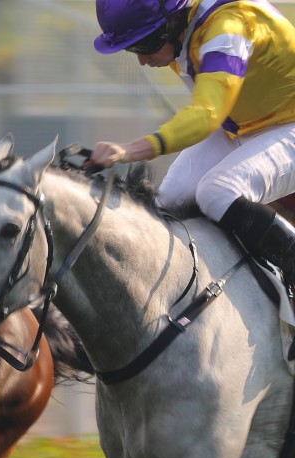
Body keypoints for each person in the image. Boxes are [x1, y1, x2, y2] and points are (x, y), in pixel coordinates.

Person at [87, 0, 295, 284]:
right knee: (169, 201)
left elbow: (207, 114)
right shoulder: (185, 25)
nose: (142, 60)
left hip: (285, 126)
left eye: (143, 45)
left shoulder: (229, 26)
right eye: (131, 48)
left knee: (218, 191)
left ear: (172, 23)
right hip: (247, 125)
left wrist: (128, 150)